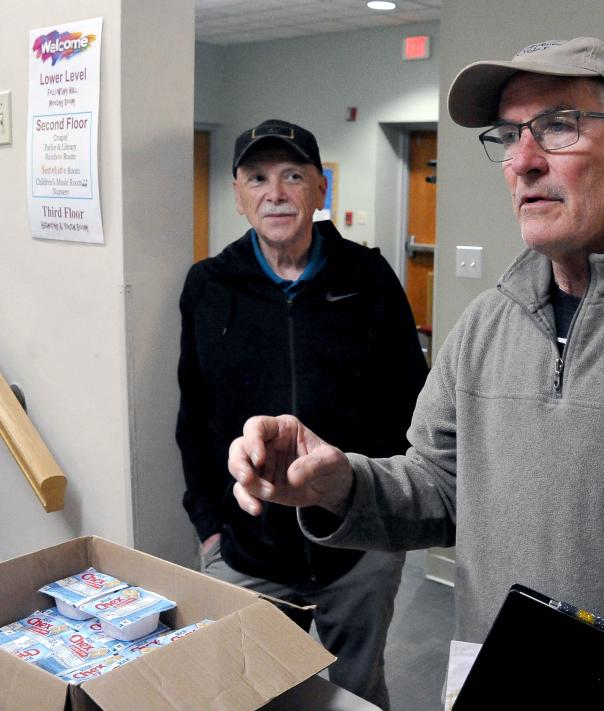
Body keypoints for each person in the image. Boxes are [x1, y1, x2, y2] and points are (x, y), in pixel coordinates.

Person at [227, 40, 604, 710]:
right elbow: (441, 484)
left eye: (559, 126)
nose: (522, 160)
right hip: (490, 683)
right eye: (509, 134)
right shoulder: (487, 325)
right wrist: (338, 481)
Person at [176, 118, 428, 709]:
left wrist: (388, 526)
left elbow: (413, 402)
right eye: (258, 178)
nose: (276, 192)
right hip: (245, 548)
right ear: (239, 196)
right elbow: (195, 415)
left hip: (357, 546)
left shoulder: (368, 278)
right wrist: (209, 527)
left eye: (293, 176)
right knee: (250, 697)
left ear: (320, 190)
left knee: (356, 695)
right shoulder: (209, 286)